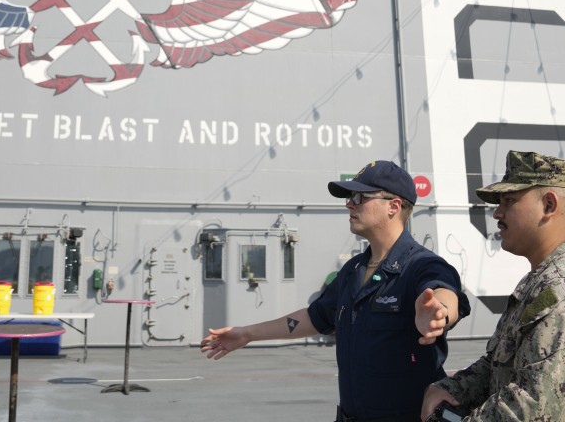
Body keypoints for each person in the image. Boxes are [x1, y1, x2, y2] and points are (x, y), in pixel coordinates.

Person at [201, 160, 471, 422]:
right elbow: (314, 317)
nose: (349, 204)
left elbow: (443, 292)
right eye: (349, 197)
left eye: (359, 197)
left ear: (394, 206)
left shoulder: (421, 264)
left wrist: (440, 314)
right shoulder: (353, 271)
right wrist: (247, 334)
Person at [420, 151, 565, 421]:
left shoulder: (564, 288)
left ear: (549, 205)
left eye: (509, 201)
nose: (497, 212)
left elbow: (532, 410)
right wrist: (452, 388)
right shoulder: (542, 280)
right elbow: (501, 365)